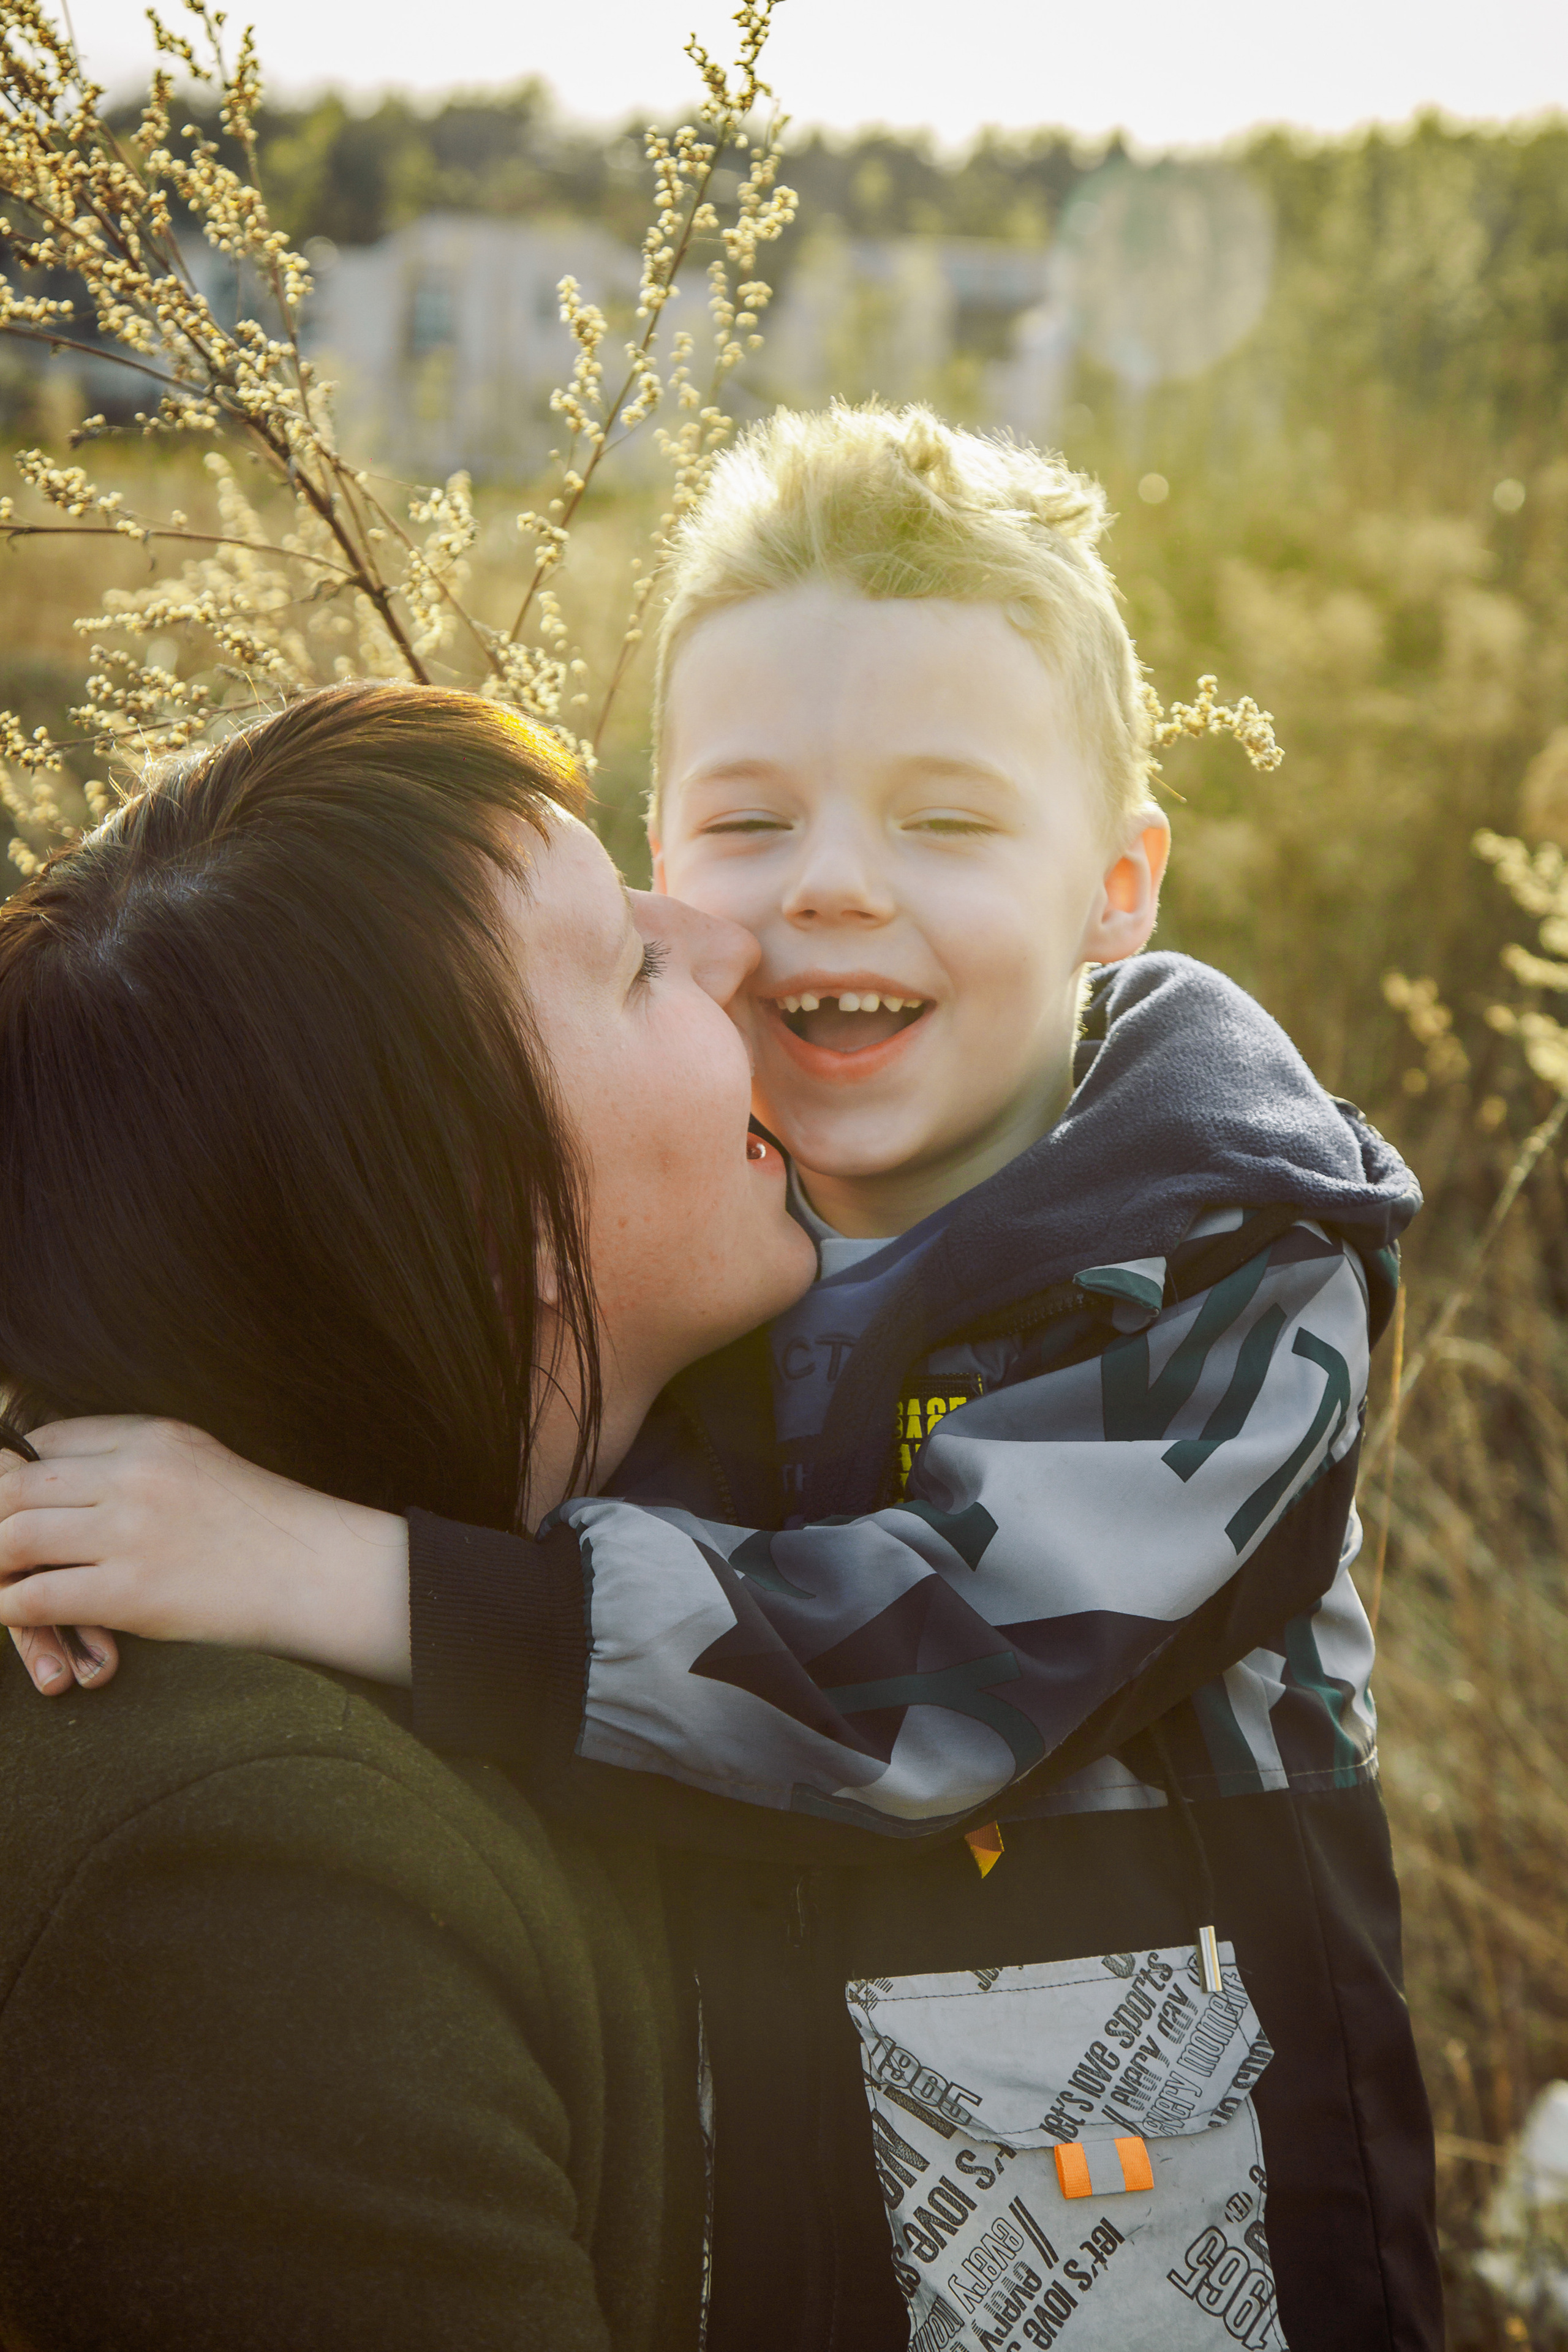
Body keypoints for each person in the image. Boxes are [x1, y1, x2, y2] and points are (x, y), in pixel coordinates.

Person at [1, 409, 1441, 2352]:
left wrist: (347, 1573)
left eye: (946, 822)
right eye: (743, 830)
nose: (820, 891)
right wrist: (72, 1464)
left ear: (1117, 887)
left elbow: (930, 1684)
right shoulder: (741, 1253)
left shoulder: (1220, 1265)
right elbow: (296, 1284)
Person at [0, 680, 818, 2350]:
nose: (732, 946)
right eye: (634, 965)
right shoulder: (245, 1879)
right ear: (495, 1213)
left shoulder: (739, 1472)